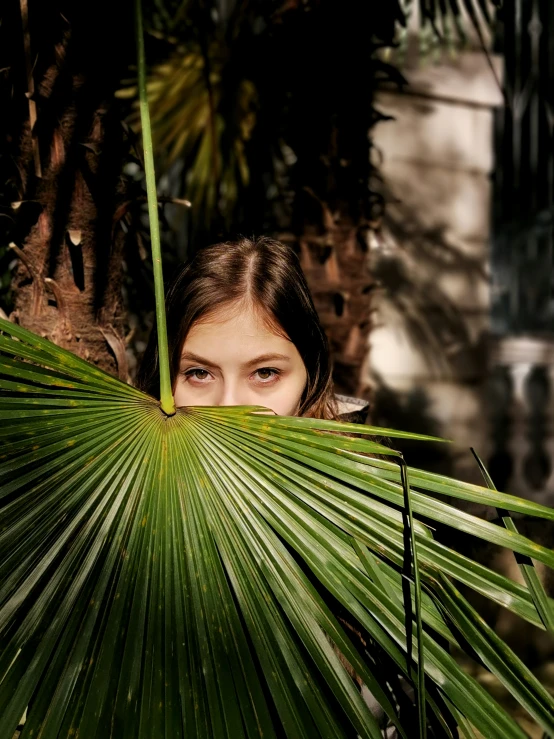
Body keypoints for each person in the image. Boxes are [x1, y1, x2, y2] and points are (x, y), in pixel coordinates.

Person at [137, 236, 369, 423]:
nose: (229, 408)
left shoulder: (362, 479)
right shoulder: (124, 475)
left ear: (311, 375)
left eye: (265, 373)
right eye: (199, 373)